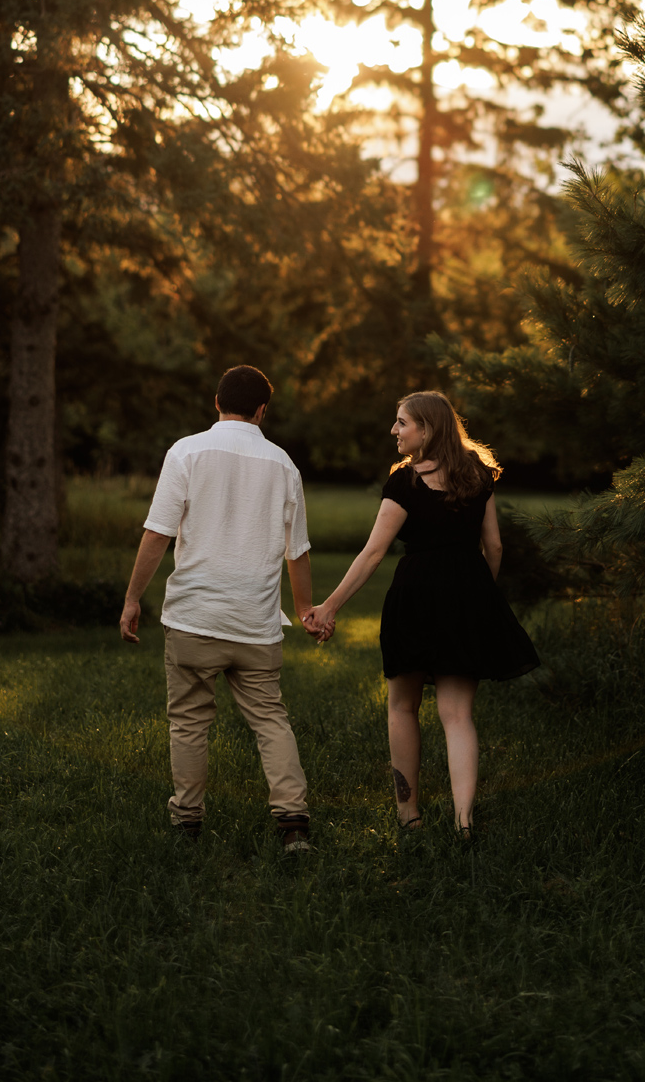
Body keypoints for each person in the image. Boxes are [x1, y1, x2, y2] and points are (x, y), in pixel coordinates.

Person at [304, 390, 540, 839]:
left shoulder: (405, 482)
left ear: (426, 429)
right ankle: (464, 820)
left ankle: (409, 816)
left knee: (402, 706)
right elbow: (495, 547)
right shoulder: (478, 477)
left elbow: (374, 553)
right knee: (457, 713)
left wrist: (328, 607)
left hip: (414, 597)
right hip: (468, 595)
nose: (394, 430)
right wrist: (479, 596)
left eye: (401, 423)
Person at [119, 364, 324, 852]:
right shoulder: (284, 465)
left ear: (216, 403)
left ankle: (188, 823)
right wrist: (304, 610)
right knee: (271, 721)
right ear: (261, 411)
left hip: (194, 618)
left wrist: (132, 599)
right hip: (256, 624)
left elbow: (158, 533)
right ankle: (293, 824)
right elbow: (298, 551)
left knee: (189, 722)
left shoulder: (187, 451)